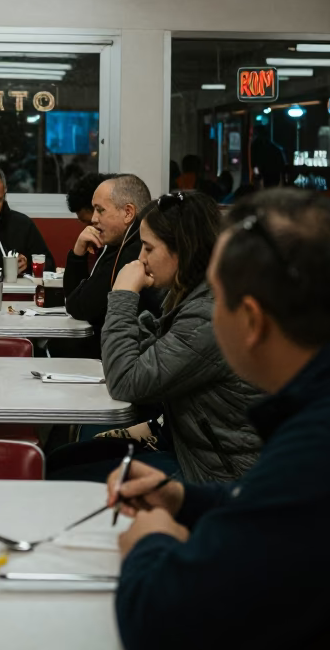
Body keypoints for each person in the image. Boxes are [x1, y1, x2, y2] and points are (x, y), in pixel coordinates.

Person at [101, 189, 330, 650]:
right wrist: (188, 500)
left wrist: (152, 541)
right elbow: (291, 509)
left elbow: (163, 627)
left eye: (219, 302)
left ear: (252, 321)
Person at [100, 191, 262, 483]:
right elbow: (149, 360)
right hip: (186, 446)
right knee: (67, 458)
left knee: (68, 473)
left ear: (183, 250)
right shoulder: (193, 292)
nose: (140, 259)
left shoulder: (211, 314)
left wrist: (123, 296)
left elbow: (125, 382)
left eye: (148, 248)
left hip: (217, 475)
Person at [63, 174, 157, 352]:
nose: (94, 219)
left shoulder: (131, 251)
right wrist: (78, 254)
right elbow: (75, 301)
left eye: (100, 210)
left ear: (128, 213)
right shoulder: (121, 243)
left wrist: (77, 256)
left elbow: (79, 307)